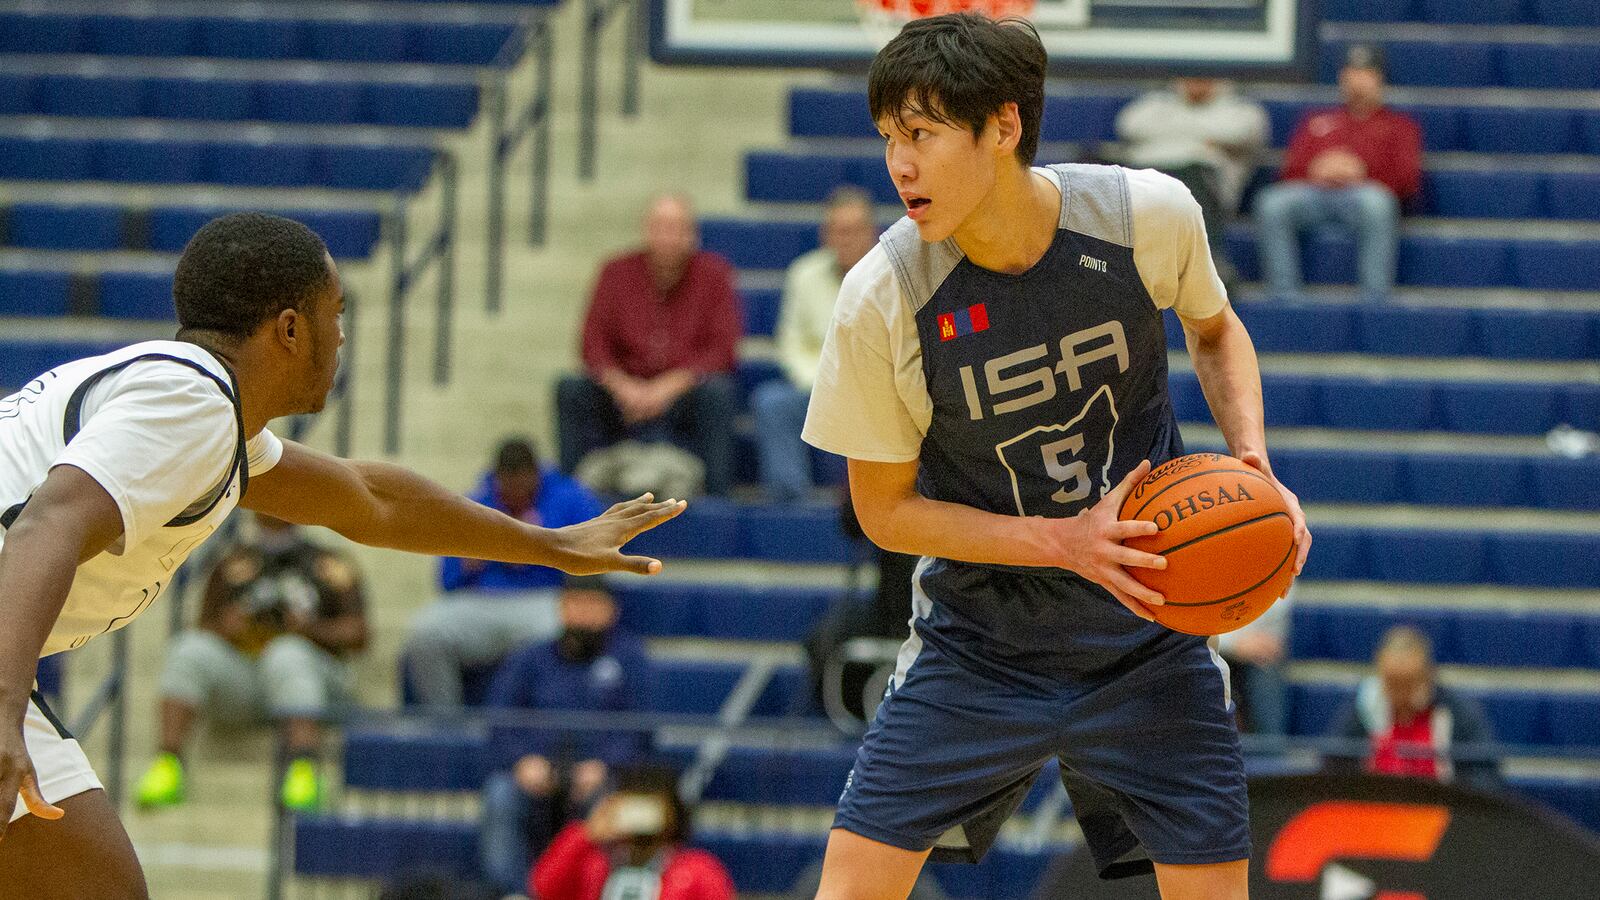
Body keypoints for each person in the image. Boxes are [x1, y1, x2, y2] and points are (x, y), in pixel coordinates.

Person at [0, 212, 684, 897]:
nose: (343, 335)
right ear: (291, 329)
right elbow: (46, 526)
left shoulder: (201, 412)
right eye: (337, 312)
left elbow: (370, 499)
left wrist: (550, 546)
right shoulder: (191, 403)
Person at [799, 15, 1310, 900]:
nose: (899, 165)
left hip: (1152, 634)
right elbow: (886, 512)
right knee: (848, 888)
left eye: (919, 135)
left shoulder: (1143, 215)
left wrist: (1253, 465)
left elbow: (1217, 331)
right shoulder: (882, 297)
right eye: (888, 138)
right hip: (977, 643)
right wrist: (1062, 540)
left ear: (1002, 127)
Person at [133, 514, 368, 813]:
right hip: (247, 675)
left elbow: (359, 634)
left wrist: (309, 629)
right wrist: (230, 627)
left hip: (310, 676)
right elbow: (203, 625)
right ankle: (167, 764)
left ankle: (304, 768)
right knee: (189, 649)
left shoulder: (329, 563)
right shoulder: (233, 562)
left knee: (286, 652)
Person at [557, 194, 742, 495]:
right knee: (569, 388)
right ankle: (569, 498)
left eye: (677, 228)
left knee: (718, 394)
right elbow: (592, 343)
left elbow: (723, 350)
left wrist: (666, 388)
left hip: (683, 393)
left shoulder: (715, 275)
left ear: (692, 234)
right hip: (621, 393)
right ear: (646, 230)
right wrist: (623, 386)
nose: (668, 238)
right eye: (661, 227)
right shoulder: (615, 272)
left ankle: (718, 501)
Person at [478, 578, 649, 895]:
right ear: (561, 607)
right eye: (575, 603)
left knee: (611, 808)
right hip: (538, 772)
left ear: (611, 610)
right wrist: (521, 761)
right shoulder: (531, 659)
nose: (583, 613)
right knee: (500, 796)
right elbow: (501, 718)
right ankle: (512, 892)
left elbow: (641, 727)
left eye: (592, 604)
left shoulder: (630, 661)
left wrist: (606, 765)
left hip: (601, 777)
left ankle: (596, 891)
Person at [403, 437, 604, 707]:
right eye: (509, 488)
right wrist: (472, 560)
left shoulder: (569, 498)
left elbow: (597, 556)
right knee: (426, 632)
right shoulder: (476, 503)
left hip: (544, 598)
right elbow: (446, 582)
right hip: (481, 601)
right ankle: (446, 727)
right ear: (498, 479)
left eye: (523, 487)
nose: (516, 495)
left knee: (561, 633)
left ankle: (541, 732)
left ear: (535, 476)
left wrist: (544, 548)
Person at [1253, 44, 1422, 302]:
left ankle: (1373, 297)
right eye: (1351, 73)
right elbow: (1288, 172)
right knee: (1271, 203)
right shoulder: (1316, 120)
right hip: (1314, 195)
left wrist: (1362, 171)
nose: (1357, 81)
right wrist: (1316, 169)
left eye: (1365, 73)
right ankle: (1285, 295)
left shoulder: (1399, 126)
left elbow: (1407, 181)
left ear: (1380, 80)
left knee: (1378, 203)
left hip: (1362, 197)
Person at [752, 187, 880, 501]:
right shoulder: (803, 274)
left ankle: (876, 506)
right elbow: (791, 343)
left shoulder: (891, 274)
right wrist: (824, 384)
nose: (846, 238)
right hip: (815, 386)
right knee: (772, 402)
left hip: (876, 390)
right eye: (839, 230)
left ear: (872, 233)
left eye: (854, 230)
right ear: (826, 234)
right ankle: (791, 507)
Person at [1114, 78, 1268, 282]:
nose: (1196, 81)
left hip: (1205, 188)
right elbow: (1128, 126)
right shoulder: (1157, 103)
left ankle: (1205, 265)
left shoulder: (1240, 109)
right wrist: (1202, 137)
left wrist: (1168, 131)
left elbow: (1239, 133)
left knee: (1191, 173)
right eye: (1191, 75)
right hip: (1147, 180)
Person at [1327, 625, 1498, 789]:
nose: (1400, 694)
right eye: (1392, 684)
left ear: (1427, 676)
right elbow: (1332, 770)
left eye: (1408, 684)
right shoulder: (1364, 706)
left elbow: (1485, 777)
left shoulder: (1456, 711)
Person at [529, 766, 735, 900]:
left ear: (673, 812)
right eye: (634, 807)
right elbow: (544, 889)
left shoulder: (698, 870)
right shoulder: (594, 866)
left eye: (650, 808)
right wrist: (586, 834)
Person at [1216, 585, 1292, 736]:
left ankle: (1269, 751)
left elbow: (1281, 595)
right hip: (1208, 643)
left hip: (1258, 643)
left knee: (1266, 664)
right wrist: (1234, 642)